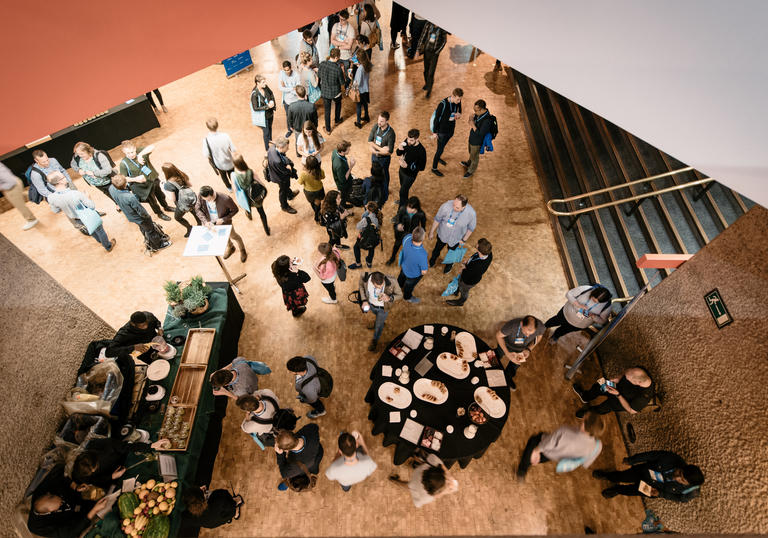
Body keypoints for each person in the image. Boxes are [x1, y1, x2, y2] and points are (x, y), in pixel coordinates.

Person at [516, 411, 605, 481]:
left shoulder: (565, 431)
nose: (583, 416)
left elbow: (549, 443)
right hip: (554, 456)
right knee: (538, 459)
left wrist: (536, 450)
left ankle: (522, 471)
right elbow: (585, 464)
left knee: (532, 445)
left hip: (544, 446)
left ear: (584, 426)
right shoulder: (597, 446)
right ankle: (529, 464)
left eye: (584, 418)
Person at [27, 464, 110, 538]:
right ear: (50, 512)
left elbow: (58, 469)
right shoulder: (37, 526)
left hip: (75, 496)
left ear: (48, 494)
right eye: (60, 503)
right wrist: (94, 510)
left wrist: (75, 486)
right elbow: (70, 533)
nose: (61, 500)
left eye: (56, 497)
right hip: (76, 519)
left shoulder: (42, 491)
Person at [593, 451, 704, 502]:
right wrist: (632, 460)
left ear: (687, 484)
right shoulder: (672, 458)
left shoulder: (691, 492)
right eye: (679, 473)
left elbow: (679, 498)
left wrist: (661, 494)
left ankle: (617, 490)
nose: (677, 478)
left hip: (652, 489)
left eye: (682, 480)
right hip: (643, 472)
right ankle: (607, 475)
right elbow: (650, 455)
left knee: (631, 491)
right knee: (621, 477)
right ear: (682, 467)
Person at [47, 172, 116, 251]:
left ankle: (99, 241)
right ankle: (108, 246)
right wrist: (88, 197)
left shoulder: (51, 197)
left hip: (76, 219)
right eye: (63, 177)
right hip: (88, 216)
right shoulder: (75, 194)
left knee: (91, 230)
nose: (66, 177)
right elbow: (92, 206)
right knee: (100, 231)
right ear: (60, 182)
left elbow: (56, 210)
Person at [109, 174, 170, 254]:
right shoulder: (130, 197)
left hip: (130, 215)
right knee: (150, 230)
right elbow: (140, 211)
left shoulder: (111, 188)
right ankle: (158, 245)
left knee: (143, 228)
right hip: (140, 217)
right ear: (125, 185)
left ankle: (148, 238)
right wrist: (147, 217)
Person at [119, 140, 172, 221]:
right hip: (143, 186)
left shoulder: (140, 151)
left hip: (153, 179)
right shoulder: (123, 163)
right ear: (123, 152)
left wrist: (140, 155)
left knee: (161, 195)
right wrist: (135, 179)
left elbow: (152, 146)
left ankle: (166, 206)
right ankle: (159, 213)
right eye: (128, 153)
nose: (131, 155)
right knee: (152, 201)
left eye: (132, 152)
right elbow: (124, 178)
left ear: (135, 148)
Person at [573, 366, 654, 418]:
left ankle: (587, 412)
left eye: (628, 379)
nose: (625, 377)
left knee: (602, 408)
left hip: (619, 400)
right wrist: (618, 378)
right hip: (616, 386)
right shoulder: (639, 370)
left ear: (638, 383)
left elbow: (631, 410)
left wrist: (618, 394)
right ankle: (585, 396)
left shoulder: (644, 397)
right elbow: (626, 372)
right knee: (600, 383)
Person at [194, 185, 247, 262]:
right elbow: (197, 209)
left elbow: (235, 210)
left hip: (225, 223)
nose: (203, 199)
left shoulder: (225, 199)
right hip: (211, 223)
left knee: (234, 236)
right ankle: (231, 247)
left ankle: (242, 250)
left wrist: (223, 219)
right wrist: (205, 222)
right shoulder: (201, 195)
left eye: (205, 199)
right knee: (223, 238)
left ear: (210, 195)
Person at [545, 284, 613, 343]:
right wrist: (579, 305)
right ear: (593, 292)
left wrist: (593, 316)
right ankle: (544, 326)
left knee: (563, 330)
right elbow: (569, 294)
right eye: (593, 299)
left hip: (578, 325)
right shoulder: (587, 289)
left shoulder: (607, 307)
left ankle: (555, 336)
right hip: (566, 314)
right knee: (555, 320)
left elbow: (603, 321)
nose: (594, 302)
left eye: (597, 302)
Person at [494, 315, 545, 391]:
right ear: (521, 324)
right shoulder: (512, 325)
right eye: (525, 332)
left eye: (531, 334)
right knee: (495, 357)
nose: (527, 336)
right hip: (506, 345)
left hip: (521, 349)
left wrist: (529, 349)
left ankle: (507, 378)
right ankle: (489, 371)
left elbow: (539, 336)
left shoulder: (540, 327)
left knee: (514, 365)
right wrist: (507, 353)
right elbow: (498, 336)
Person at [388, 452, 458, 508]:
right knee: (407, 486)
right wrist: (445, 492)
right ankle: (393, 480)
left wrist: (447, 473)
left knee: (423, 463)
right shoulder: (426, 497)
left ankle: (415, 458)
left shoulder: (433, 463)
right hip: (415, 483)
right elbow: (418, 503)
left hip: (420, 471)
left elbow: (435, 460)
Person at [428, 194, 477, 273]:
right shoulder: (445, 206)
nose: (453, 207)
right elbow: (437, 219)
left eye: (457, 207)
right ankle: (433, 260)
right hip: (442, 235)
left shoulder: (471, 214)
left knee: (451, 254)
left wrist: (464, 240)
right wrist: (431, 232)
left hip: (456, 239)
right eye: (454, 204)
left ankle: (449, 265)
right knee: (437, 249)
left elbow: (471, 228)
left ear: (463, 207)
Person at [358, 271, 403, 351]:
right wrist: (364, 300)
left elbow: (400, 295)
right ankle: (379, 322)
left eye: (381, 286)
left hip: (383, 309)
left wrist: (390, 298)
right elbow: (361, 287)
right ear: (372, 281)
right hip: (371, 305)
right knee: (377, 318)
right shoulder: (365, 277)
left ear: (383, 279)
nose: (379, 288)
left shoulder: (392, 281)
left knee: (379, 327)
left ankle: (375, 340)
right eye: (377, 287)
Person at [275, 425, 324, 490]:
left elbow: (284, 473)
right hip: (317, 455)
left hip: (299, 469)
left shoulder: (291, 470)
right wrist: (289, 439)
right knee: (314, 469)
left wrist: (280, 454)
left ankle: (288, 483)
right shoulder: (311, 431)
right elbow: (315, 426)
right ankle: (311, 476)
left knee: (295, 478)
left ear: (286, 451)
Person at [446, 238, 493, 306]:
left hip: (468, 281)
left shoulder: (478, 266)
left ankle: (461, 301)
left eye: (477, 244)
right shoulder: (488, 253)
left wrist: (462, 267)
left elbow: (466, 272)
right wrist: (468, 261)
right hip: (469, 272)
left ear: (480, 251)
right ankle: (457, 290)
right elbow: (474, 257)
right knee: (460, 282)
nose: (476, 244)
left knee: (464, 291)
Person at [71, 142, 118, 209]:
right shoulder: (77, 156)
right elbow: (73, 164)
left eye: (82, 154)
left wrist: (93, 173)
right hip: (96, 183)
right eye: (78, 154)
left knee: (116, 191)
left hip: (108, 180)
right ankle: (116, 203)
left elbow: (108, 170)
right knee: (107, 193)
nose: (80, 156)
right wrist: (78, 170)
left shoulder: (99, 155)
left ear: (88, 150)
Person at [232, 153, 270, 235]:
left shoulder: (234, 175)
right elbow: (260, 181)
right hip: (254, 195)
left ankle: (249, 214)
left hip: (245, 197)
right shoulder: (250, 171)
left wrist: (238, 199)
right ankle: (266, 229)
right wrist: (264, 188)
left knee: (247, 207)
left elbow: (235, 189)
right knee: (261, 212)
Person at [161, 163, 201, 238]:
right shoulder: (182, 175)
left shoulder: (168, 184)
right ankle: (200, 225)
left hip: (182, 204)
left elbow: (173, 199)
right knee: (196, 213)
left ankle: (189, 228)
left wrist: (163, 189)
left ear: (166, 173)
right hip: (191, 199)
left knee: (177, 217)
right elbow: (190, 185)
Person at [430, 88, 463, 176]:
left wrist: (459, 114)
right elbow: (436, 119)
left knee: (442, 147)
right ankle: (434, 168)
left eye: (460, 99)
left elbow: (460, 110)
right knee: (440, 149)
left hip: (450, 130)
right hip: (441, 131)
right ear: (452, 96)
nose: (459, 101)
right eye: (457, 99)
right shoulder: (442, 104)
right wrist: (434, 132)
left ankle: (439, 157)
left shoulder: (458, 102)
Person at [368, 111, 396, 204]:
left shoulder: (391, 133)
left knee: (384, 175)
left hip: (384, 159)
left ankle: (385, 191)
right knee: (375, 174)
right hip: (375, 156)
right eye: (379, 120)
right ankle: (375, 191)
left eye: (382, 121)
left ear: (387, 121)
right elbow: (369, 141)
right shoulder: (376, 126)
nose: (379, 123)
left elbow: (389, 152)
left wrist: (376, 150)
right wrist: (380, 150)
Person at [414, 21, 448, 98]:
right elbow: (422, 36)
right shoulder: (428, 24)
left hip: (434, 54)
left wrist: (437, 52)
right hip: (427, 51)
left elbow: (444, 41)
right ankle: (427, 84)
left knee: (431, 73)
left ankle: (429, 90)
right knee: (426, 71)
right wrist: (418, 50)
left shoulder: (442, 28)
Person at [0, 162, 37, 230]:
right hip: (15, 183)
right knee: (24, 196)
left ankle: (31, 219)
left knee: (19, 205)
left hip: (11, 187)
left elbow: (9, 181)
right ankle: (46, 198)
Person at [461, 99, 494, 178]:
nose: (474, 112)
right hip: (472, 138)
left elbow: (481, 134)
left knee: (475, 157)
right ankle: (469, 162)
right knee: (471, 153)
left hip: (477, 142)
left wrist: (472, 125)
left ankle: (471, 170)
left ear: (482, 109)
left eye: (476, 110)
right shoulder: (479, 114)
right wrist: (471, 119)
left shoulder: (487, 120)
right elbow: (474, 122)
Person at [202, 118, 237, 190]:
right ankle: (235, 186)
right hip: (230, 162)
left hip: (219, 164)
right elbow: (233, 149)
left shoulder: (206, 140)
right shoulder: (225, 136)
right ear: (217, 125)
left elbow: (206, 154)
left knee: (223, 176)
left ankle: (229, 188)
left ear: (208, 128)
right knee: (232, 175)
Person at [395, 129, 427, 207]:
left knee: (402, 191)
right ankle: (404, 200)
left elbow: (422, 167)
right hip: (402, 171)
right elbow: (398, 153)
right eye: (408, 139)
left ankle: (400, 213)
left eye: (411, 140)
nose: (408, 141)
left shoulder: (421, 151)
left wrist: (408, 166)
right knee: (403, 191)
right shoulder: (407, 141)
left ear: (417, 139)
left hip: (410, 176)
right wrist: (399, 149)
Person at [267, 137, 300, 214]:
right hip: (280, 177)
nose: (288, 149)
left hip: (275, 172)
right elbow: (285, 172)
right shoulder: (277, 161)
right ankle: (284, 206)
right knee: (283, 190)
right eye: (287, 147)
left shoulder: (272, 148)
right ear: (281, 148)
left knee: (286, 187)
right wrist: (289, 169)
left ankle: (290, 195)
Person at [397, 226, 429, 303]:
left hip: (404, 267)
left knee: (401, 278)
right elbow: (424, 271)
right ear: (423, 238)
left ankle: (398, 287)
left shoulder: (407, 239)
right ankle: (407, 297)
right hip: (412, 275)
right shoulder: (422, 254)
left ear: (412, 235)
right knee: (409, 287)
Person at [318, 48, 346, 134]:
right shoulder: (338, 69)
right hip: (335, 92)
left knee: (327, 111)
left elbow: (319, 75)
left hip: (325, 91)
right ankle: (337, 120)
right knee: (338, 104)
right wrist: (343, 71)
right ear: (337, 57)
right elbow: (342, 82)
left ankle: (328, 129)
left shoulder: (322, 64)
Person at [348, 201, 381, 270]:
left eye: (367, 205)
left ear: (369, 210)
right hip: (374, 238)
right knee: (371, 248)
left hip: (366, 237)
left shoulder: (366, 219)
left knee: (356, 247)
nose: (365, 205)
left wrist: (365, 215)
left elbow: (358, 227)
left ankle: (358, 264)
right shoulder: (378, 216)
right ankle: (369, 262)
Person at [251, 75, 277, 151]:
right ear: (257, 83)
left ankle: (270, 140)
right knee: (266, 132)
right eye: (263, 82)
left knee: (270, 127)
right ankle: (267, 148)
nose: (265, 83)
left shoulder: (265, 87)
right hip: (263, 116)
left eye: (265, 81)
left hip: (270, 113)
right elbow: (255, 108)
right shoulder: (254, 94)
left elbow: (271, 93)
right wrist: (267, 106)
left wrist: (272, 101)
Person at [299, 155, 326, 223]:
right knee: (318, 203)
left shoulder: (304, 174)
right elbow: (323, 177)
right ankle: (318, 214)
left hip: (309, 192)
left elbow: (300, 182)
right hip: (319, 189)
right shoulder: (320, 171)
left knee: (312, 202)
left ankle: (317, 214)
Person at [279, 60, 302, 138]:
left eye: (288, 70)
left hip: (295, 100)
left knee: (296, 115)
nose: (287, 72)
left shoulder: (296, 75)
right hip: (286, 100)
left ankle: (297, 129)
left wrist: (286, 87)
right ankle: (289, 130)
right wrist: (292, 88)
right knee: (288, 116)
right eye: (285, 70)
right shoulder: (281, 73)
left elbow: (298, 90)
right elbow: (280, 88)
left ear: (291, 68)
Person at [330, 9, 357, 78]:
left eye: (343, 19)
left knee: (346, 76)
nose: (341, 21)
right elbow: (332, 40)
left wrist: (338, 46)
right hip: (336, 56)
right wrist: (343, 43)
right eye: (340, 18)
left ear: (347, 19)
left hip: (346, 57)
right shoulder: (335, 26)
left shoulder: (351, 29)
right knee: (336, 75)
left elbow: (349, 46)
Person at [331, 140, 356, 208]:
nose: (349, 150)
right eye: (348, 150)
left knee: (345, 194)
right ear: (342, 152)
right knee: (343, 196)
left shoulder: (335, 151)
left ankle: (346, 199)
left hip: (340, 175)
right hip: (343, 185)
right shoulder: (340, 165)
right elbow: (344, 180)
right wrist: (351, 166)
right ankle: (343, 205)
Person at [353, 42, 372, 129]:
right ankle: (367, 117)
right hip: (366, 89)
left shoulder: (360, 69)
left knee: (358, 107)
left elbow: (358, 82)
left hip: (360, 90)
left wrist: (351, 79)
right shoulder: (367, 64)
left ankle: (358, 122)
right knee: (365, 104)